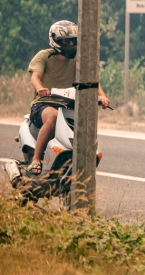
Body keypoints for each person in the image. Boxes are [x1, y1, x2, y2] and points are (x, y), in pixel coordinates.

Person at [27, 20, 109, 175]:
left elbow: (92, 80)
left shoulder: (79, 59)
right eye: (67, 41)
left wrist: (103, 96)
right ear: (55, 40)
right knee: (54, 117)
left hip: (70, 105)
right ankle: (37, 159)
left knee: (86, 122)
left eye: (74, 40)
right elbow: (35, 77)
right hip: (44, 103)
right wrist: (40, 89)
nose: (71, 44)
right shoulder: (44, 56)